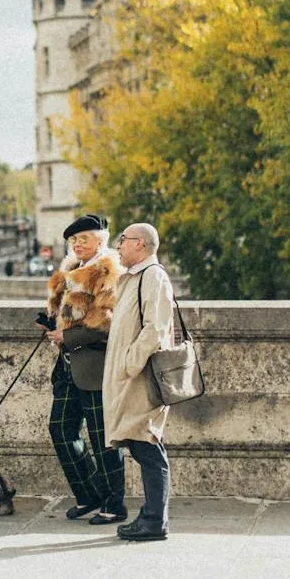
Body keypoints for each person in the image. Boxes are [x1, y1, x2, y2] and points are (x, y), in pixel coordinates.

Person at [42, 213, 128, 524]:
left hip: (95, 365)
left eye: (84, 239)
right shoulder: (72, 270)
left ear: (100, 241)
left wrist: (68, 334)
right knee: (61, 430)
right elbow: (71, 314)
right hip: (68, 365)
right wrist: (53, 323)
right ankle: (89, 494)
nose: (77, 244)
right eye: (74, 240)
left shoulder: (108, 271)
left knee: (103, 437)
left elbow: (108, 322)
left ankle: (114, 504)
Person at [103, 221, 176, 543]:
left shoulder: (153, 276)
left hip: (141, 378)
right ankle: (151, 516)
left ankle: (154, 520)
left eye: (124, 240)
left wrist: (129, 364)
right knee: (141, 442)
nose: (118, 246)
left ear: (141, 245)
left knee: (147, 444)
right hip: (131, 377)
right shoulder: (134, 278)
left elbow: (155, 328)